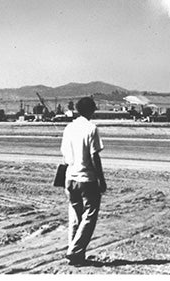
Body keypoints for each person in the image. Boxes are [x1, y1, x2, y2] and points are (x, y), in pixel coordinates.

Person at [60, 97, 107, 265]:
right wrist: (101, 179)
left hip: (70, 177)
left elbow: (65, 156)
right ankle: (74, 251)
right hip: (87, 179)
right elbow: (94, 156)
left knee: (75, 217)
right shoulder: (91, 129)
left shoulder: (69, 128)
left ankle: (76, 254)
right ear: (91, 110)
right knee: (89, 216)